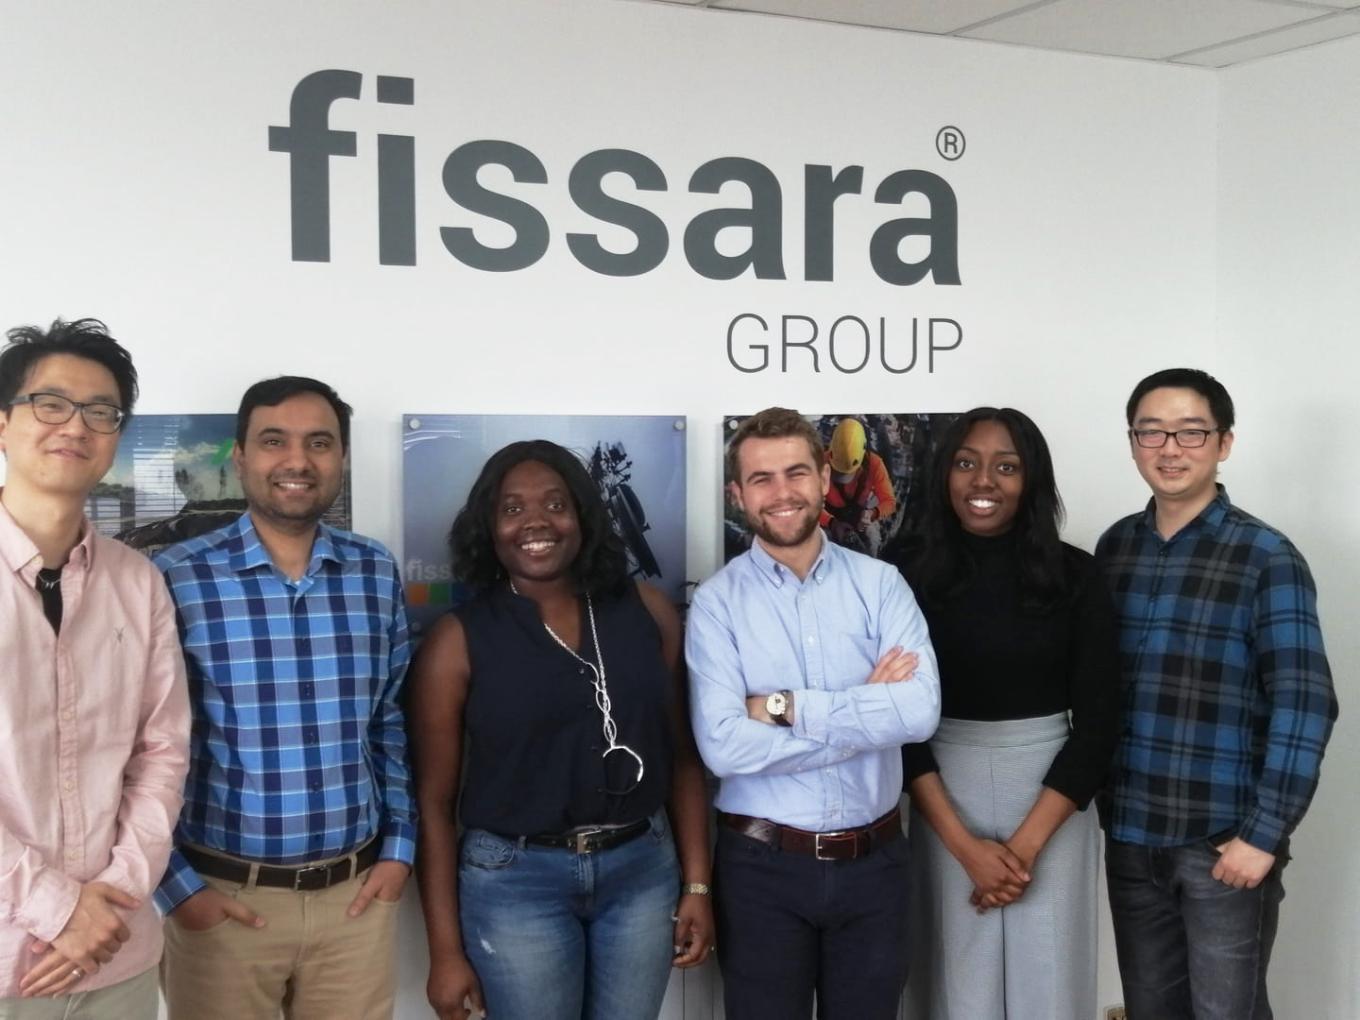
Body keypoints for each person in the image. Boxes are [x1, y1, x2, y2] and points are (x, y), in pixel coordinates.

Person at [410, 439, 713, 1020]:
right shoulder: (458, 641)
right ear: (489, 528)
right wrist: (445, 952)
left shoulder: (647, 611)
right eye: (512, 508)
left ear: (581, 515)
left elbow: (683, 758)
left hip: (642, 875)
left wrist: (697, 886)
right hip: (514, 883)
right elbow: (434, 804)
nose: (535, 522)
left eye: (554, 504)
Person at [154, 376, 415, 1020]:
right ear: (240, 457)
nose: (298, 461)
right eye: (275, 441)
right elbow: (142, 748)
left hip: (355, 901)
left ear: (342, 460)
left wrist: (400, 851)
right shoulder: (175, 577)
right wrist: (177, 889)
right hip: (223, 902)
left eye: (320, 443)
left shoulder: (374, 571)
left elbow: (387, 721)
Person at [1097, 368, 1338, 1020]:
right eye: (1152, 432)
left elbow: (1305, 703)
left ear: (1223, 443)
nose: (1169, 448)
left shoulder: (1266, 556)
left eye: (1190, 432)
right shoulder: (1115, 549)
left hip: (1223, 845)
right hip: (1131, 834)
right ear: (1132, 442)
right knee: (1152, 1010)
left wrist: (1262, 835)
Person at [687, 406, 941, 1020]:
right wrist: (865, 715)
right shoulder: (716, 606)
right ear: (736, 494)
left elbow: (920, 713)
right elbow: (723, 747)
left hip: (875, 867)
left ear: (825, 476)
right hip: (760, 872)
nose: (782, 493)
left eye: (796, 473)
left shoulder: (882, 586)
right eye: (761, 479)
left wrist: (782, 708)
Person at [895, 407, 1119, 1020]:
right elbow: (896, 720)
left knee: (1048, 985)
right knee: (953, 985)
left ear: (1033, 480)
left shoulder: (1076, 573)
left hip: (1051, 798)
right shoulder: (901, 570)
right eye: (966, 463)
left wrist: (1019, 851)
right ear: (945, 475)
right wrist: (966, 848)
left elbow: (1099, 722)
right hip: (941, 794)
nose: (983, 481)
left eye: (1006, 466)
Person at [0, 318, 189, 1018]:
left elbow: (162, 752)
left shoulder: (138, 582)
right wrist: (57, 909)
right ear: (3, 424)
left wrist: (111, 902)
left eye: (100, 411)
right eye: (50, 404)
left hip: (119, 952)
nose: (74, 426)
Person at [820, 417, 897, 556]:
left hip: (861, 514)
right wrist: (831, 523)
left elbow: (889, 502)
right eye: (837, 472)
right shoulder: (819, 464)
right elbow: (809, 505)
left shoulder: (875, 465)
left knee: (872, 540)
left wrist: (871, 514)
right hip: (828, 513)